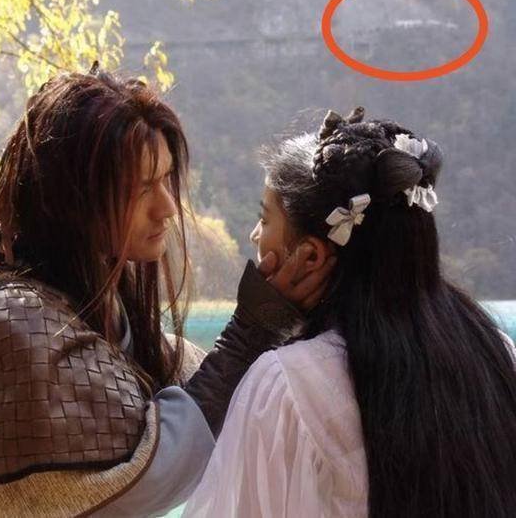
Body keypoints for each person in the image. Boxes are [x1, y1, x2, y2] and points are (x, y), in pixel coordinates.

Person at [0, 68, 332, 517]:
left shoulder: (81, 288)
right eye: (142, 189)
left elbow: (192, 382)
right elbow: (143, 480)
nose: (167, 208)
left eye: (166, 180)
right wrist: (250, 334)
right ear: (72, 196)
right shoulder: (7, 322)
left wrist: (281, 332)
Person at [183, 108, 516, 518]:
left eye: (264, 219)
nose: (255, 235)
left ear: (310, 256)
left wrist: (253, 327)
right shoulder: (496, 353)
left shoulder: (288, 386)